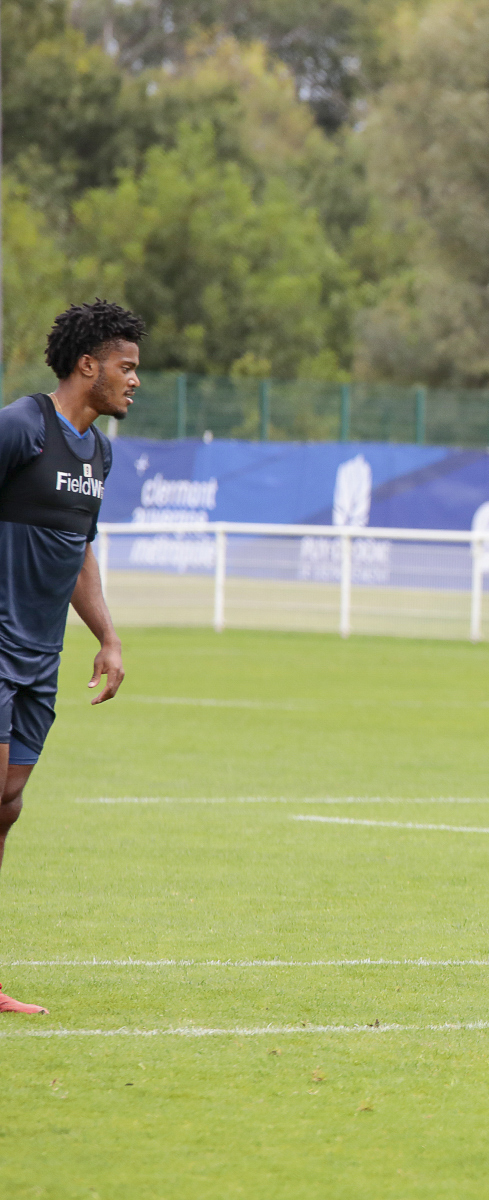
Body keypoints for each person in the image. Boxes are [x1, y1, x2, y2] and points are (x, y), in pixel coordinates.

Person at [0, 300, 137, 1015]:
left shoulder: (99, 453)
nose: (134, 381)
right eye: (126, 366)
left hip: (39, 658)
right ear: (89, 365)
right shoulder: (19, 427)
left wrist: (107, 635)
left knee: (7, 806)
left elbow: (77, 549)